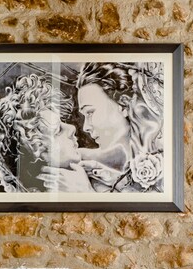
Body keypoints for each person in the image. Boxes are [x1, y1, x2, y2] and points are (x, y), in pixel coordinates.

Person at [50, 61, 166, 193]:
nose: (85, 127)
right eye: (84, 115)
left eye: (90, 112)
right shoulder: (96, 164)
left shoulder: (163, 154)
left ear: (124, 105)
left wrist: (86, 192)